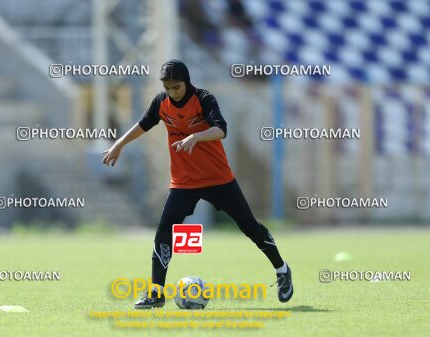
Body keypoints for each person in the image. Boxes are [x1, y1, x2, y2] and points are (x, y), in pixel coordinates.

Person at [102, 59, 293, 308]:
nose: (172, 92)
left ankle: (282, 269)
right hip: (183, 182)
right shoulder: (161, 102)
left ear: (187, 82)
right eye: (168, 88)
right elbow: (144, 123)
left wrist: (196, 136)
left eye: (177, 87)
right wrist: (118, 145)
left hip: (218, 178)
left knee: (249, 227)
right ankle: (156, 293)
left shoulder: (204, 99)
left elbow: (221, 130)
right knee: (164, 233)